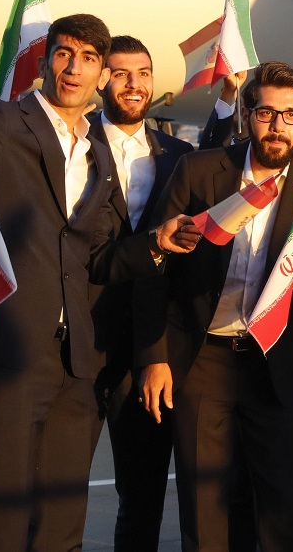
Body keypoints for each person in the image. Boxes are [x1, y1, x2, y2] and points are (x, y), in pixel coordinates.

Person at [0, 14, 198, 551]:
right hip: (11, 353)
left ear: (101, 74)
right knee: (3, 524)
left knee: (61, 528)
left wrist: (155, 243)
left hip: (78, 363)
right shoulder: (5, 122)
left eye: (88, 59)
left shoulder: (100, 155)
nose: (73, 69)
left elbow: (96, 257)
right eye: (63, 53)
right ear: (45, 58)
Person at [135, 61, 293, 552]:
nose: (278, 126)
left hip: (274, 360)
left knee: (276, 508)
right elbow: (154, 269)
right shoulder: (201, 170)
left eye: (291, 116)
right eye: (266, 112)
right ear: (247, 114)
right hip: (202, 356)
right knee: (205, 506)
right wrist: (154, 356)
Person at [89, 35, 194, 552]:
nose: (135, 84)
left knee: (142, 494)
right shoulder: (72, 141)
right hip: (80, 340)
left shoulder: (180, 155)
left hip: (149, 348)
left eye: (144, 73)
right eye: (122, 73)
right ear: (102, 79)